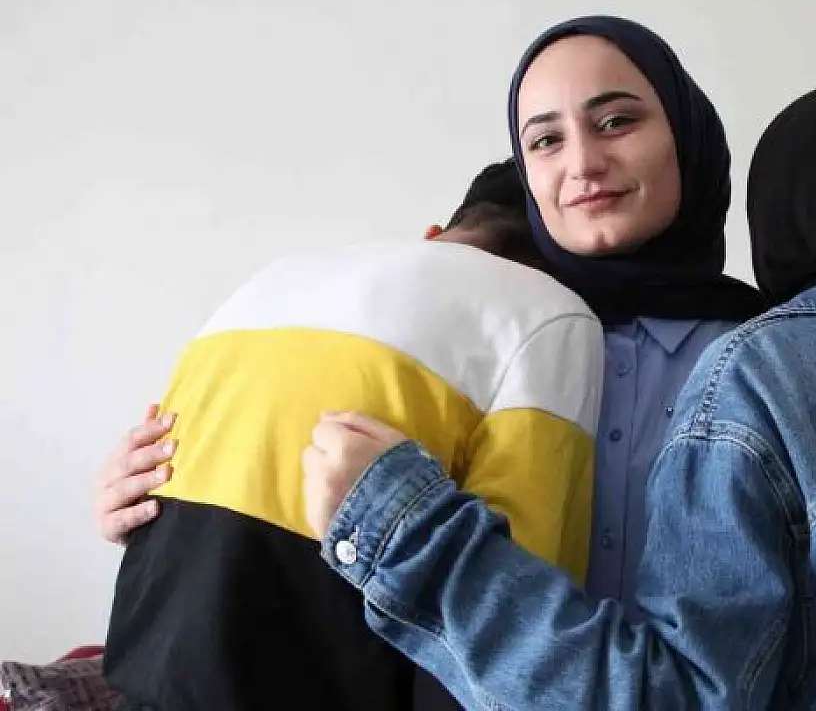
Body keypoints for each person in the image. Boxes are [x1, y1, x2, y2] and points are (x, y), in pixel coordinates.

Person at [97, 15, 816, 704]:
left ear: (689, 142)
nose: (581, 163)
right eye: (543, 140)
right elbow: (291, 512)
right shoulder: (458, 333)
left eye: (618, 120)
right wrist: (141, 493)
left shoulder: (768, 365)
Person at [100, 158, 604, 710]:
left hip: (144, 670)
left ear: (434, 235)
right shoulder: (555, 313)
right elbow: (513, 608)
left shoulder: (275, 278)